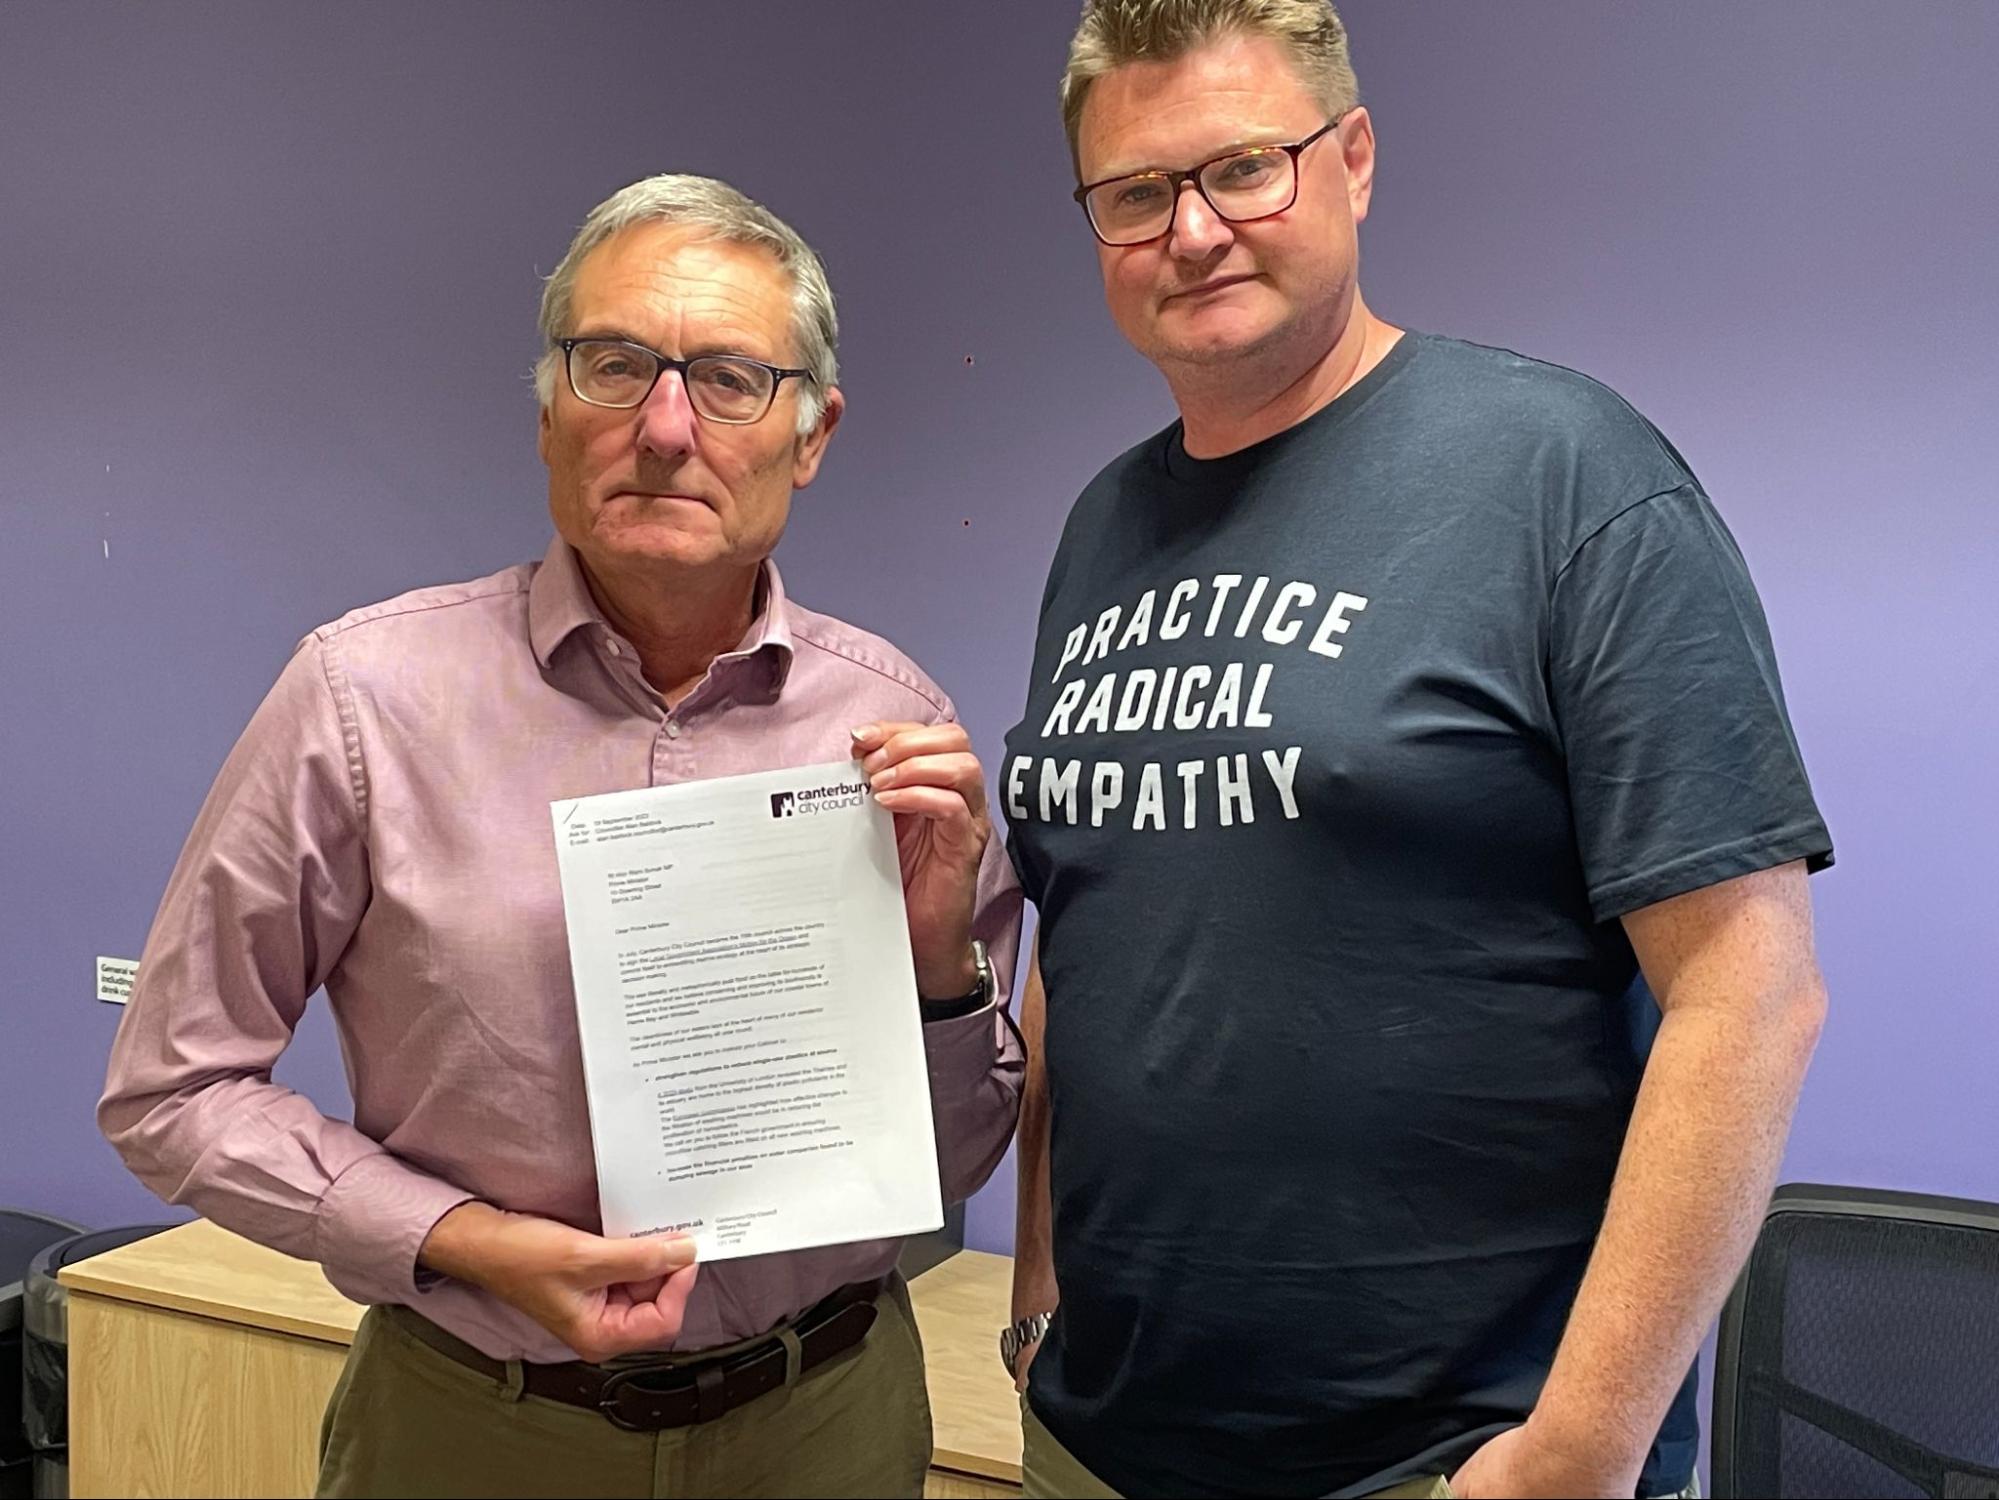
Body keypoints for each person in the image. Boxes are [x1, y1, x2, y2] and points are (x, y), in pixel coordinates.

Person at [1000, 4, 1832, 1497]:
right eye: (1135, 194)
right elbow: (1091, 936)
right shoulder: (1101, 529)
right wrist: (1033, 1298)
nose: (1191, 231)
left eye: (1244, 167)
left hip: (1447, 1463)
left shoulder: (1564, 473)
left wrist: (1576, 1457)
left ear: (1355, 160)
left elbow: (1751, 991)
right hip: (1098, 1444)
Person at [99, 173, 1023, 1500]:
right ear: (546, 410)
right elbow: (169, 1090)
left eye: (728, 379)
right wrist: (466, 1240)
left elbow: (951, 1162)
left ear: (814, 434)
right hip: (477, 1421)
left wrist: (938, 969)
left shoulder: (896, 727)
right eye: (615, 365)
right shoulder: (363, 700)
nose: (662, 427)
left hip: (820, 1421)